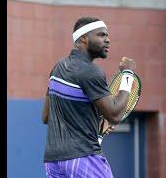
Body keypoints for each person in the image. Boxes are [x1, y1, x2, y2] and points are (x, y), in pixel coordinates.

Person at [41, 17, 136, 178]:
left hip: (53, 162)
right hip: (84, 158)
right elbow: (115, 115)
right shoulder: (91, 72)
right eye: (101, 35)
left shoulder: (57, 68)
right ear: (84, 38)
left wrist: (94, 122)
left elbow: (46, 117)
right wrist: (128, 74)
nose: (107, 40)